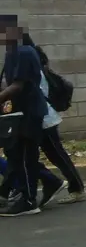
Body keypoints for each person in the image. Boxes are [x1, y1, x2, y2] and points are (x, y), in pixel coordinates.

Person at [0, 22, 63, 217]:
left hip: (29, 112)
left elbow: (18, 85)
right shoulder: (13, 52)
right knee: (17, 156)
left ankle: (28, 201)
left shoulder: (24, 52)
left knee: (26, 157)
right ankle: (24, 195)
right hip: (20, 112)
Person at [33, 42, 86, 204]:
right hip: (44, 119)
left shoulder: (37, 73)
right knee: (54, 155)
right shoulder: (40, 71)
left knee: (58, 156)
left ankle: (77, 188)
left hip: (46, 120)